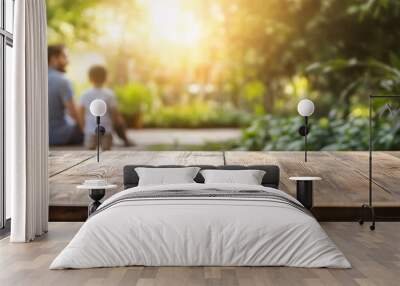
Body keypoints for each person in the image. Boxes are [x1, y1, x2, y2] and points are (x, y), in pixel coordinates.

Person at [80, 65, 132, 150]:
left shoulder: (85, 94)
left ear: (89, 78)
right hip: (106, 128)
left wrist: (83, 127)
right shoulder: (109, 94)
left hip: (90, 129)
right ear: (105, 78)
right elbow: (114, 112)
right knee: (107, 150)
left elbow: (81, 112)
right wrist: (114, 124)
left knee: (89, 149)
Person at [48, 44, 83, 145]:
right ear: (54, 59)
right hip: (61, 136)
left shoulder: (33, 78)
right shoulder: (62, 80)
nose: (68, 61)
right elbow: (74, 113)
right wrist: (85, 130)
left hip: (41, 137)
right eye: (64, 57)